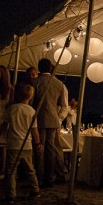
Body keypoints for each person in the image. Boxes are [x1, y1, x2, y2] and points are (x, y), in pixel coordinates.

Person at [0, 84, 42, 202]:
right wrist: (38, 143)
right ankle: (35, 190)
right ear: (30, 97)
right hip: (27, 145)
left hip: (13, 144)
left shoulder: (11, 109)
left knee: (10, 170)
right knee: (30, 169)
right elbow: (34, 130)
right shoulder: (31, 111)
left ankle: (11, 195)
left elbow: (4, 125)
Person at [34, 58, 67, 188]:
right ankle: (50, 178)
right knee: (50, 149)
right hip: (53, 119)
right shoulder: (59, 84)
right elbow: (62, 104)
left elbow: (31, 102)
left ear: (39, 68)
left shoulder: (35, 82)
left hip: (39, 119)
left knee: (39, 149)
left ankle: (40, 179)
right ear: (51, 68)